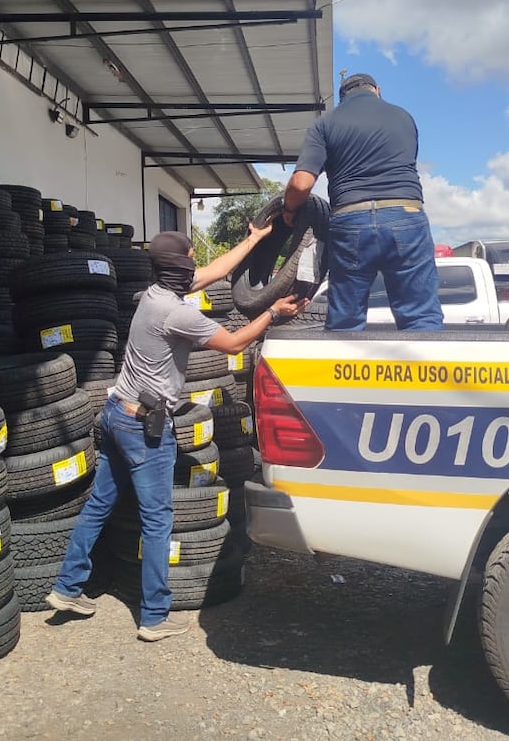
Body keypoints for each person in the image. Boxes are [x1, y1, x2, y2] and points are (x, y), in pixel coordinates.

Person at [45, 225, 307, 641]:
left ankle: (66, 588)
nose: (195, 266)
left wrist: (254, 240)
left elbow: (212, 274)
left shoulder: (154, 295)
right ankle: (153, 617)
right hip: (143, 426)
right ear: (181, 265)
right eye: (190, 258)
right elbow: (236, 343)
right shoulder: (178, 312)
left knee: (99, 505)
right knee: (157, 519)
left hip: (115, 412)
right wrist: (273, 313)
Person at [281, 72, 443, 331]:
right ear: (377, 90)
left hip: (351, 219)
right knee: (420, 318)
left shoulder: (326, 123)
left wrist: (289, 209)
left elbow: (301, 184)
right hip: (405, 215)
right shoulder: (404, 117)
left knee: (346, 321)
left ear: (343, 97)